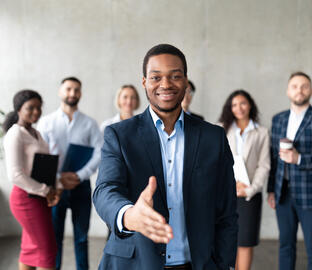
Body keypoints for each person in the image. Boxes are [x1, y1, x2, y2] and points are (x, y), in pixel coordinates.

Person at [93, 44, 238, 270]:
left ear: (186, 82)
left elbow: (227, 210)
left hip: (198, 263)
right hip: (134, 263)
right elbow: (105, 190)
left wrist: (223, 263)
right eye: (156, 77)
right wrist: (129, 215)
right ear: (145, 82)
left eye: (175, 76)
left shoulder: (213, 137)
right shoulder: (120, 135)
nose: (166, 84)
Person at [37, 77, 102, 270]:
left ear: (80, 93)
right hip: (54, 188)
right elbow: (40, 155)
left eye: (76, 90)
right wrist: (58, 179)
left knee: (82, 238)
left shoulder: (90, 123)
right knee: (54, 239)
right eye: (68, 89)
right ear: (60, 91)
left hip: (80, 186)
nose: (72, 93)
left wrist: (80, 175)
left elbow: (100, 152)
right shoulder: (46, 122)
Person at [267, 72, 312, 270]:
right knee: (285, 246)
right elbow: (273, 158)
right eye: (294, 86)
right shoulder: (278, 119)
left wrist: (299, 158)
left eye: (304, 86)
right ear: (288, 91)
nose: (299, 90)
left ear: (311, 90)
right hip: (283, 193)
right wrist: (271, 190)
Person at [3, 89, 61, 270]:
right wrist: (47, 190)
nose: (36, 112)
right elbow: (15, 175)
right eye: (30, 108)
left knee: (30, 250)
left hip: (39, 197)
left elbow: (45, 166)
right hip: (25, 199)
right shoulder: (15, 134)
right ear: (18, 109)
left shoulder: (36, 133)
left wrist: (54, 189)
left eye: (38, 107)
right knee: (47, 250)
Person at [218, 90, 270, 270]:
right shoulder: (221, 130)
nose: (239, 108)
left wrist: (250, 189)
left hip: (249, 195)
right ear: (229, 108)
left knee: (245, 242)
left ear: (250, 105)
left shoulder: (261, 132)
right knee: (227, 240)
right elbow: (216, 164)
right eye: (234, 104)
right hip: (226, 194)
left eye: (243, 103)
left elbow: (264, 166)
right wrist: (231, 186)